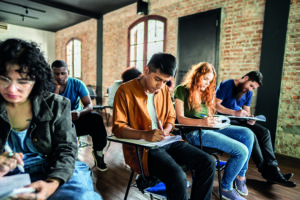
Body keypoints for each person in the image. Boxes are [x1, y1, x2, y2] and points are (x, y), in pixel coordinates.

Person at [0, 38, 101, 200]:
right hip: (9, 174)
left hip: (53, 167)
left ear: (36, 80)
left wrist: (51, 184)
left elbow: (66, 149)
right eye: (4, 79)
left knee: (80, 197)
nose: (12, 89)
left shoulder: (57, 105)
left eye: (23, 81)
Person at [112, 53, 215, 200]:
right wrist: (145, 134)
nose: (160, 86)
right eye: (157, 79)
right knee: (178, 176)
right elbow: (117, 128)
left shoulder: (164, 90)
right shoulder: (125, 91)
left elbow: (171, 117)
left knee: (207, 162)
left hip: (167, 140)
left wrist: (167, 129)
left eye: (165, 81)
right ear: (146, 70)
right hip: (143, 149)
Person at [174, 62, 254, 200]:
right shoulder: (181, 90)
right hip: (195, 133)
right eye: (205, 79)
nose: (207, 83)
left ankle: (240, 177)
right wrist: (202, 122)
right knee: (241, 151)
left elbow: (208, 115)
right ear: (196, 75)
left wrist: (214, 120)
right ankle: (226, 188)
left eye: (210, 80)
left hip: (209, 128)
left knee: (248, 134)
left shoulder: (207, 92)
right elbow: (180, 119)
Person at [215, 71, 296, 187]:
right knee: (252, 136)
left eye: (253, 88)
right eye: (251, 85)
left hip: (240, 119)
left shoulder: (249, 93)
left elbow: (246, 110)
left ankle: (274, 170)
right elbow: (215, 105)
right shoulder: (227, 84)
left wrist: (250, 118)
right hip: (225, 119)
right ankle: (268, 173)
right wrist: (234, 112)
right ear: (246, 78)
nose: (250, 89)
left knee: (265, 132)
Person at [51, 60, 108, 172]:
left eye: (63, 73)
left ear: (68, 72)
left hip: (75, 119)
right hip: (56, 122)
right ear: (51, 74)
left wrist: (79, 113)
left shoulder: (77, 83)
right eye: (56, 74)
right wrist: (56, 88)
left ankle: (98, 153)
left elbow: (89, 105)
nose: (60, 77)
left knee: (96, 118)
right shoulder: (47, 85)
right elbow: (52, 107)